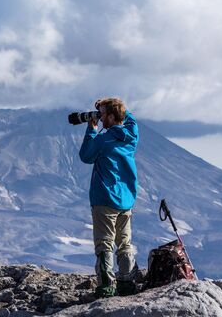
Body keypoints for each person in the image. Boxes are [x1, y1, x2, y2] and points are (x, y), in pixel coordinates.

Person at [79, 98, 139, 298]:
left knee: (104, 243)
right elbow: (130, 119)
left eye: (103, 114)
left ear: (112, 117)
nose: (100, 116)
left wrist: (91, 129)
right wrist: (115, 106)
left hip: (105, 198)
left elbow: (86, 156)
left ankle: (106, 287)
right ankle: (127, 284)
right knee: (125, 243)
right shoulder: (132, 135)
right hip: (127, 199)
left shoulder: (104, 140)